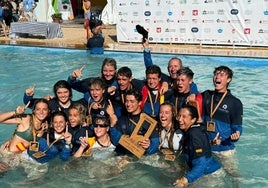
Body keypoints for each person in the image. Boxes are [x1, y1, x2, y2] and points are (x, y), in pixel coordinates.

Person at [201, 65, 243, 176]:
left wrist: (236, 135)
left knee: (234, 176)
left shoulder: (235, 103)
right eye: (216, 74)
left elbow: (237, 127)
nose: (217, 76)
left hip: (225, 150)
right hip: (208, 147)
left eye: (222, 74)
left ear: (229, 79)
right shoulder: (206, 95)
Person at [174, 105, 221, 187]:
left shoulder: (193, 134)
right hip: (211, 171)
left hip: (210, 176)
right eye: (179, 116)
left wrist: (185, 179)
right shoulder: (197, 128)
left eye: (184, 117)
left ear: (193, 119)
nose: (180, 119)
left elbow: (201, 164)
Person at [0, 99, 50, 170]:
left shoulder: (44, 126)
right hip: (9, 155)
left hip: (21, 155)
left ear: (48, 111)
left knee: (42, 168)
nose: (41, 112)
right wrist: (15, 112)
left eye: (44, 109)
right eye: (38, 109)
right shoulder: (26, 119)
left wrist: (42, 132)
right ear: (34, 111)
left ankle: (24, 182)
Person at [110, 89, 159, 155]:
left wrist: (149, 146)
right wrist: (112, 126)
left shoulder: (149, 121)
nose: (128, 104)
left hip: (141, 157)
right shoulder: (122, 119)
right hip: (122, 155)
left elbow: (155, 145)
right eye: (126, 101)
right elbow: (115, 142)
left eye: (132, 101)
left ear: (140, 102)